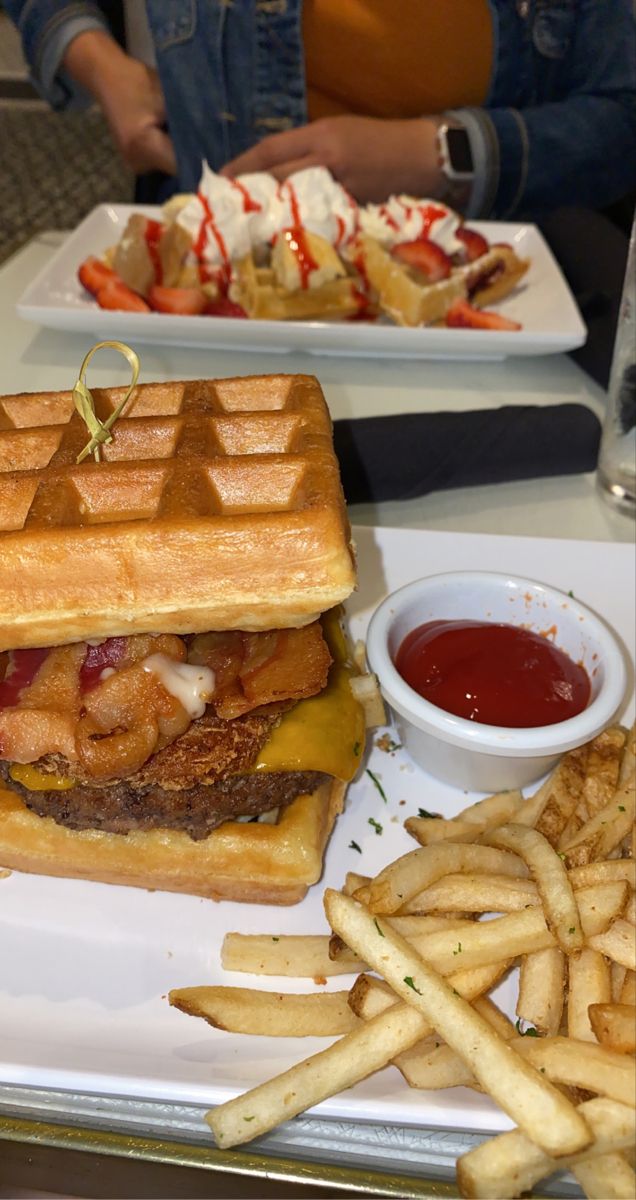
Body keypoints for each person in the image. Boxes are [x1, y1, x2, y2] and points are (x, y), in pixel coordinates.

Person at [5, 0, 636, 221]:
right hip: (204, 289)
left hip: (482, 294)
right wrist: (97, 62)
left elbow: (622, 118)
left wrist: (445, 155)